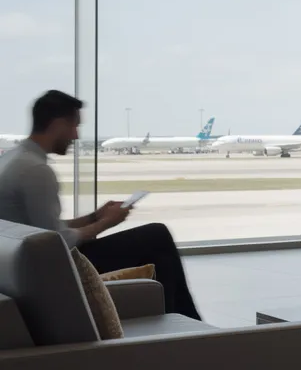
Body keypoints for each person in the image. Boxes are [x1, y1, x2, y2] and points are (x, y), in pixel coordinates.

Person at [0, 90, 199, 319]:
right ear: (57, 125)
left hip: (23, 265)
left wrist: (94, 216)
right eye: (74, 126)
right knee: (157, 236)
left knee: (156, 244)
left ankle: (177, 319)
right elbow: (59, 240)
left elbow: (41, 226)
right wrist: (106, 223)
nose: (75, 136)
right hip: (50, 269)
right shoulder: (36, 171)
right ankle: (181, 320)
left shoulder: (12, 161)